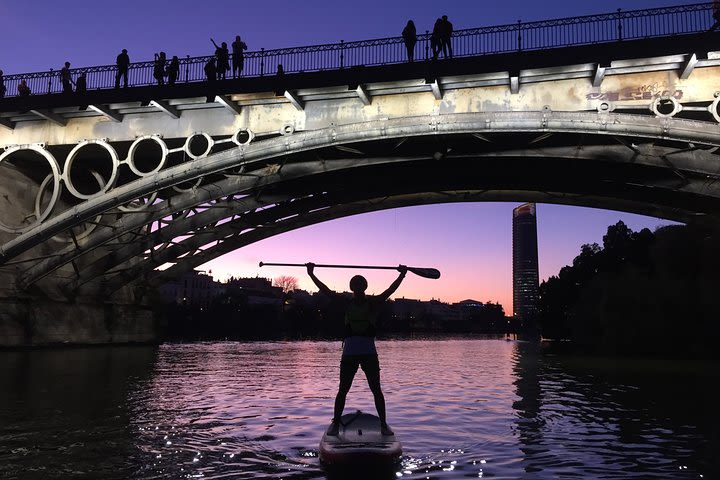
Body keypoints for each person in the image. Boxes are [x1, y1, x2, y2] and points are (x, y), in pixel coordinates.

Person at [306, 263, 408, 437]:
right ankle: (335, 423)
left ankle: (383, 424)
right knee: (343, 390)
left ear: (364, 287)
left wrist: (402, 275)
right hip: (350, 354)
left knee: (376, 389)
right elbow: (325, 290)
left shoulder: (373, 302)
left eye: (361, 286)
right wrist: (311, 274)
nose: (359, 289)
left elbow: (390, 290)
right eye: (357, 286)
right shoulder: (346, 303)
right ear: (352, 288)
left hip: (368, 353)